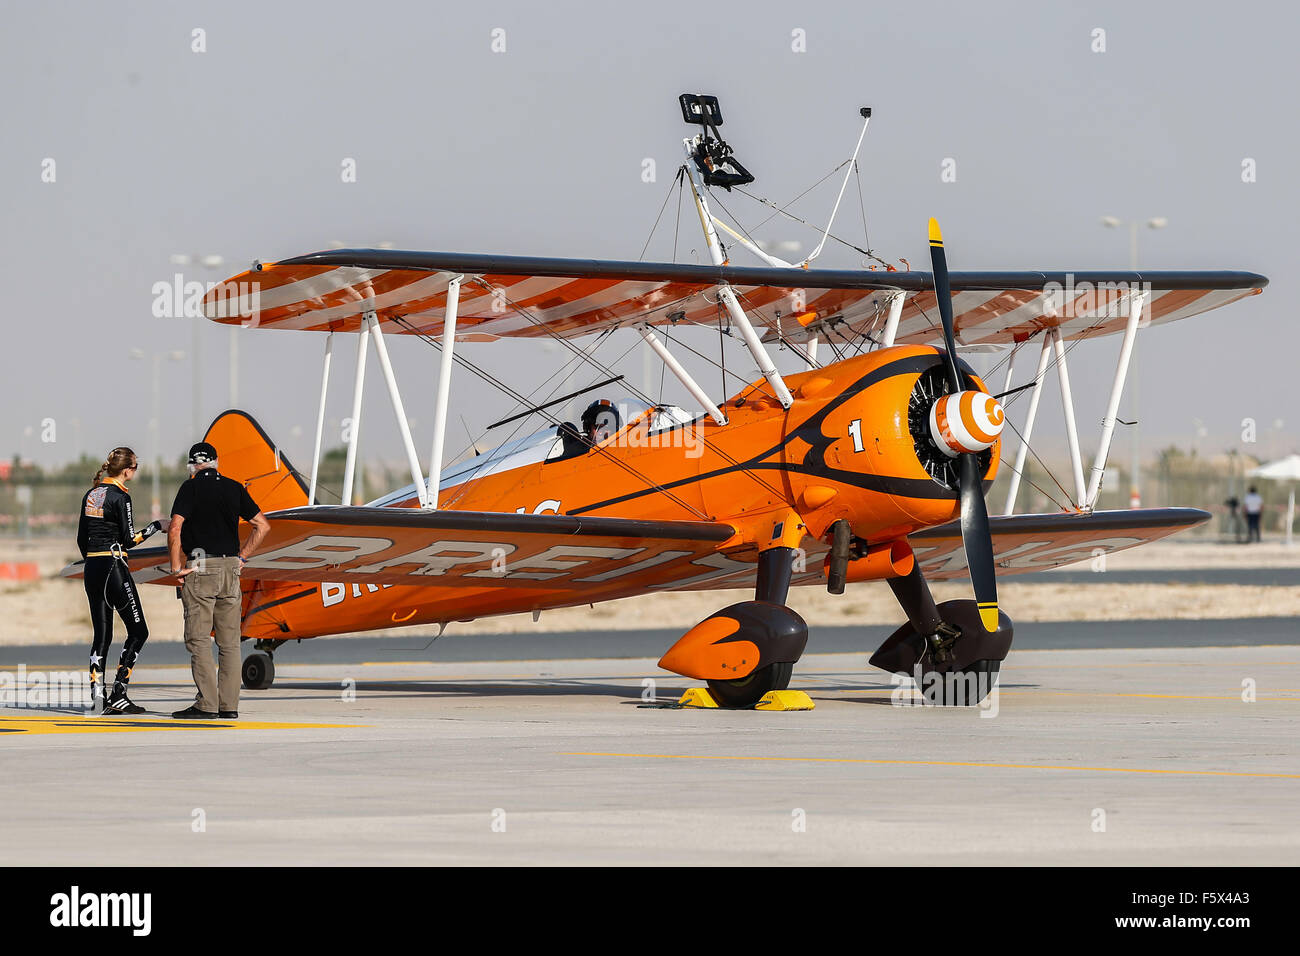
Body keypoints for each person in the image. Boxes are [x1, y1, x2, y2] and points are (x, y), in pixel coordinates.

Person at [167, 442, 270, 719]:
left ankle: (207, 704)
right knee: (230, 642)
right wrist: (242, 558)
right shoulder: (234, 487)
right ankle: (229, 705)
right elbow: (263, 525)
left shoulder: (190, 488)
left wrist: (176, 567)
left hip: (200, 568)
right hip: (230, 569)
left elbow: (175, 528)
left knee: (199, 639)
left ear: (192, 466)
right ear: (216, 462)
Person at [76, 447, 164, 714]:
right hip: (114, 566)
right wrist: (157, 526)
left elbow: (81, 538)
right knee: (139, 632)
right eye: (135, 467)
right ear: (128, 470)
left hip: (92, 567)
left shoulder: (91, 495)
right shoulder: (120, 496)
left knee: (101, 635)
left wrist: (94, 560)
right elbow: (129, 540)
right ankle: (118, 692)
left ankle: (97, 698)